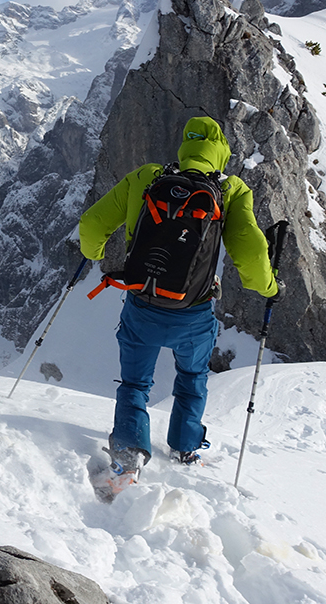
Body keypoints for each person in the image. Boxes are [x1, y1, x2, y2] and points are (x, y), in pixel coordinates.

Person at [79, 116, 277, 484]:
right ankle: (185, 449)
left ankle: (128, 454)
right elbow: (249, 253)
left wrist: (94, 253)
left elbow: (91, 224)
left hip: (142, 305)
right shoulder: (231, 190)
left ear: (184, 146)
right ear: (221, 152)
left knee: (136, 383)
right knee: (191, 377)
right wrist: (268, 288)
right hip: (195, 314)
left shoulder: (148, 178)